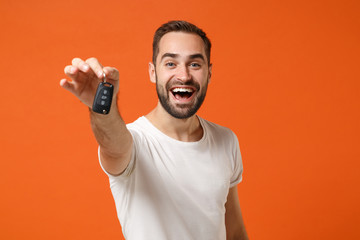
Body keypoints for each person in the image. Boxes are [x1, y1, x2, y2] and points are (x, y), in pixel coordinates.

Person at [60, 20, 249, 240]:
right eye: (170, 63)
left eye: (195, 64)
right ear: (153, 72)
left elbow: (234, 231)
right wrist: (103, 107)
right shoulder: (135, 142)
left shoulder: (226, 140)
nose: (184, 75)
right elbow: (114, 146)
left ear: (209, 73)